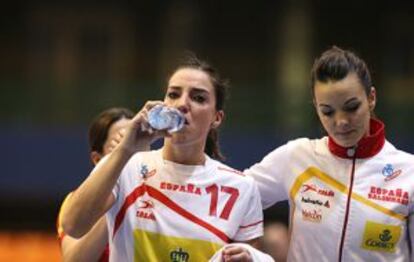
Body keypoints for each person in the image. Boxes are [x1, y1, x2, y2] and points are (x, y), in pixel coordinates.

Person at [61, 55, 264, 261]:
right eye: (174, 94)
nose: (182, 104)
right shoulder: (126, 165)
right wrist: (125, 150)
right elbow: (73, 226)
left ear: (216, 118)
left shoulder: (242, 188)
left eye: (198, 98)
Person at [225, 46, 414, 261]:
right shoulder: (296, 156)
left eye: (351, 107)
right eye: (327, 111)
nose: (341, 122)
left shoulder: (409, 173)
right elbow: (229, 197)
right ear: (316, 107)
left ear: (371, 98)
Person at [56, 107, 134, 262]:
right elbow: (74, 260)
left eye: (133, 140)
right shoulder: (75, 204)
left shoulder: (156, 193)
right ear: (98, 159)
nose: (130, 151)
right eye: (119, 146)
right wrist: (117, 204)